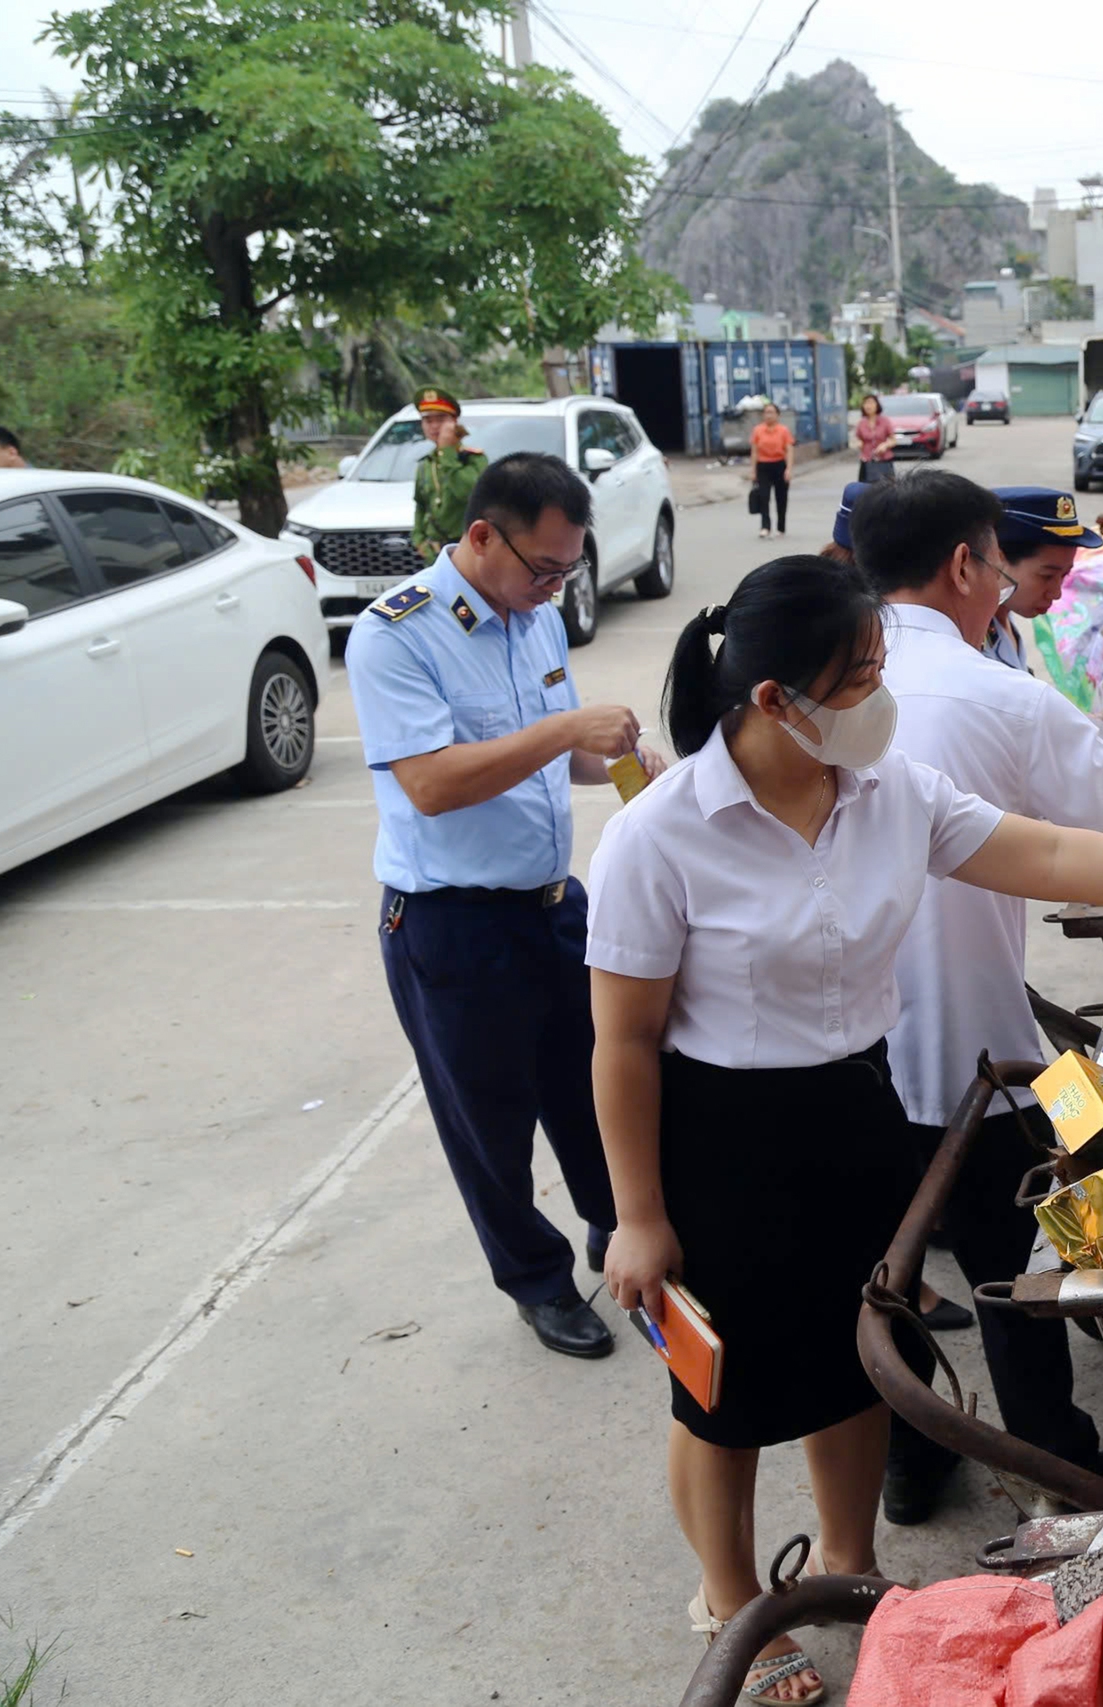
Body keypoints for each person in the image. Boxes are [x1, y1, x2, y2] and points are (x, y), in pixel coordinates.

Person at [587, 557, 1103, 1705]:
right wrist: (636, 1215)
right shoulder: (662, 835)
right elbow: (622, 1043)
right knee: (723, 1393)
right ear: (776, 698)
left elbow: (1053, 851)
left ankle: (847, 1569)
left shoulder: (892, 792)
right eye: (862, 676)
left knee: (858, 1363)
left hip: (855, 1108)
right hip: (718, 1138)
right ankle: (734, 1603)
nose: (885, 695)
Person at [861, 472, 1103, 1523]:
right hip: (961, 1037)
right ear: (963, 566)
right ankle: (1049, 1454)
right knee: (1008, 1259)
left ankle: (910, 1461)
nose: (1007, 585)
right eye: (1002, 564)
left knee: (881, 1260)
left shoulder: (837, 674)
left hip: (838, 1042)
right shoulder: (993, 691)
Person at [347, 452, 664, 1358]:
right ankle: (536, 1279)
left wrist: (634, 768)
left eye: (568, 568)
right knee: (488, 1119)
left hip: (556, 903)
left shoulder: (536, 617)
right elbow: (433, 783)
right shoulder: (396, 635)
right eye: (544, 569)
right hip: (452, 923)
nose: (556, 586)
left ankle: (619, 1231)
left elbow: (555, 758)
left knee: (592, 1083)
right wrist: (568, 728)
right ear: (482, 536)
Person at [975, 485, 1098, 673]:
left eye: (1064, 575)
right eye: (1046, 576)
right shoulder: (969, 639)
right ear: (997, 559)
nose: (1056, 593)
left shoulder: (1003, 618)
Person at [409, 388, 487, 563]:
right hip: (434, 555)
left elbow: (466, 493)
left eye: (441, 419)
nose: (434, 426)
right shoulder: (426, 464)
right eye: (428, 420)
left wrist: (447, 452)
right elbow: (421, 505)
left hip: (467, 552)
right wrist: (419, 540)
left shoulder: (472, 460)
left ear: (455, 422)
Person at [749, 402, 795, 540]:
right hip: (763, 466)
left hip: (779, 465)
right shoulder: (758, 430)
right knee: (764, 497)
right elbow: (754, 452)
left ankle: (781, 527)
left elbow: (789, 450)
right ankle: (765, 527)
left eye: (771, 412)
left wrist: (789, 469)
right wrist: (753, 471)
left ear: (777, 415)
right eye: (766, 412)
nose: (768, 415)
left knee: (781, 498)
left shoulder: (783, 430)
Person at [852, 392, 895, 485]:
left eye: (871, 403)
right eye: (866, 403)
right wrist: (859, 443)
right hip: (867, 461)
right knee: (865, 489)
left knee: (886, 488)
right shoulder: (861, 423)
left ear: (877, 405)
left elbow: (893, 440)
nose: (868, 406)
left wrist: (885, 445)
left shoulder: (885, 421)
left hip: (884, 460)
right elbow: (858, 439)